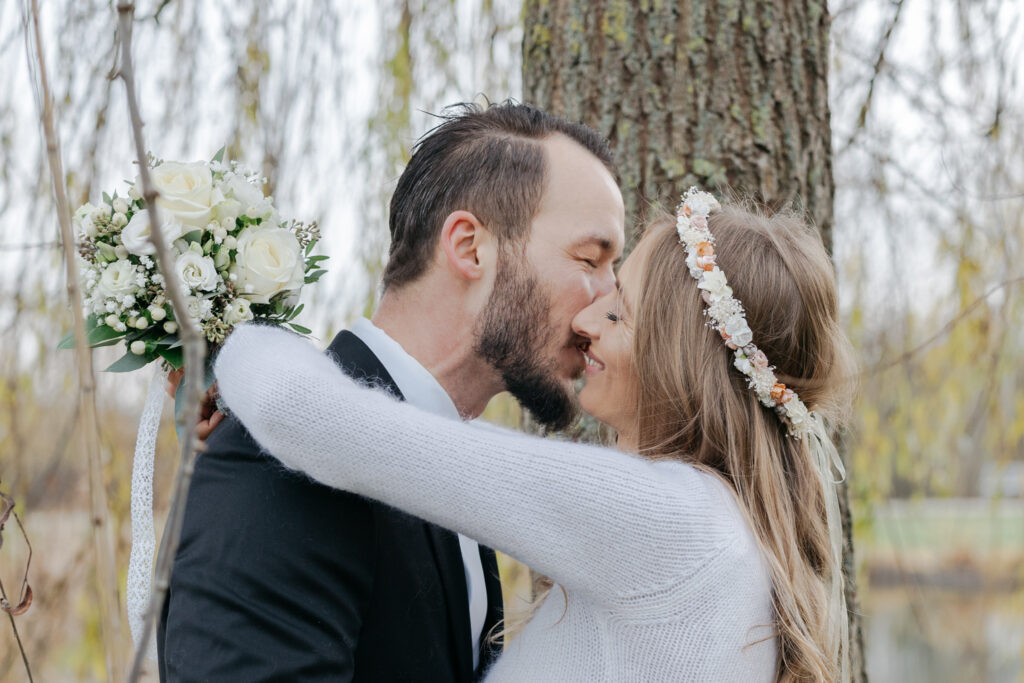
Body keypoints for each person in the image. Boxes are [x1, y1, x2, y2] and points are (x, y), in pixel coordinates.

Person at [213, 190, 856, 682]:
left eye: (620, 310)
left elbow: (293, 405)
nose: (585, 320)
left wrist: (217, 338)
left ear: (678, 356)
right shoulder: (722, 533)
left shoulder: (669, 520)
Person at [157, 101, 626, 681]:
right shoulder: (274, 457)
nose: (609, 302)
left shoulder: (455, 465)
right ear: (470, 247)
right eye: (589, 259)